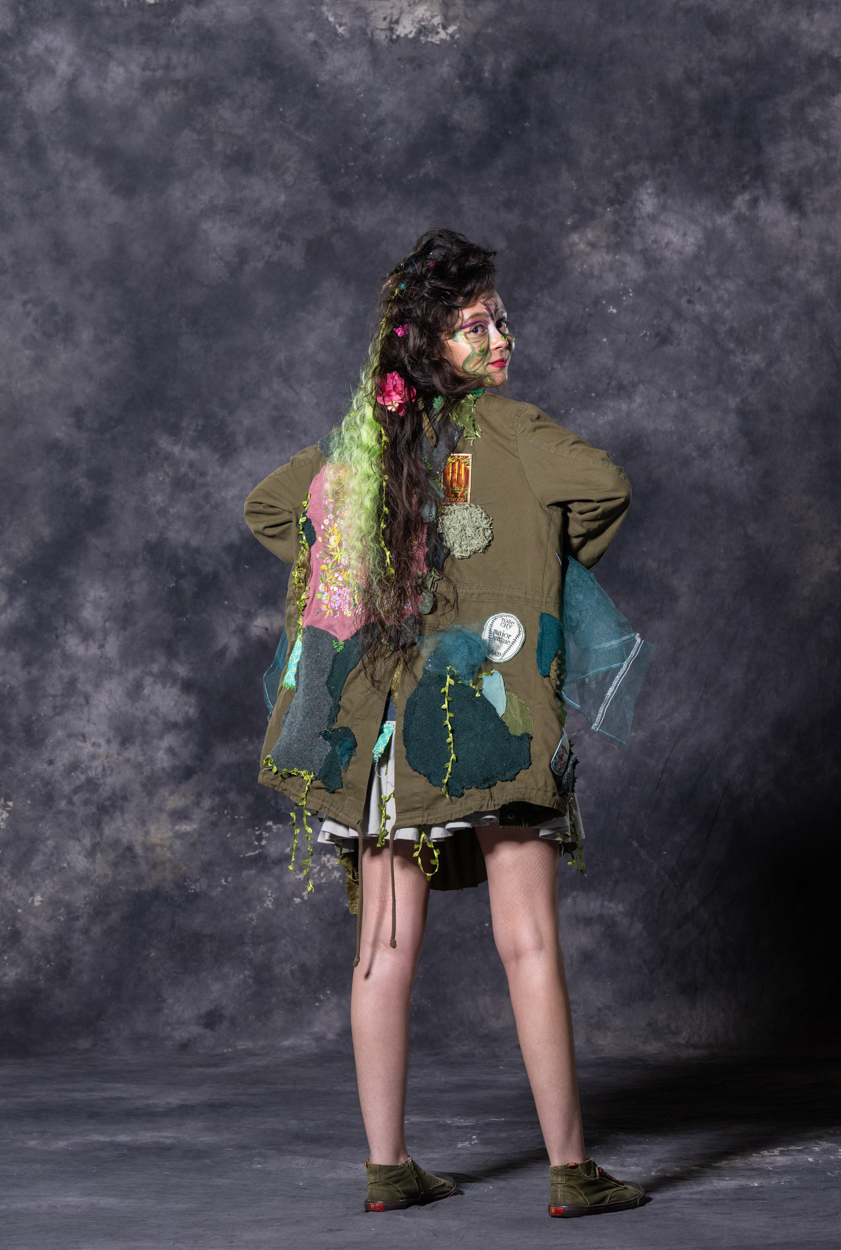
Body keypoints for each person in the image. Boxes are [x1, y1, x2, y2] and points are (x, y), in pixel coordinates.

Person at [244, 229, 645, 1219]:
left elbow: (272, 509)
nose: (500, 337)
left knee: (383, 947)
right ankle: (570, 1171)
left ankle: (388, 1168)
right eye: (476, 324)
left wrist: (355, 569)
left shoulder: (356, 448)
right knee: (529, 942)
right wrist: (532, 568)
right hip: (497, 719)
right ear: (429, 343)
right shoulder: (515, 432)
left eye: (499, 318)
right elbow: (606, 487)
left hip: (386, 735)